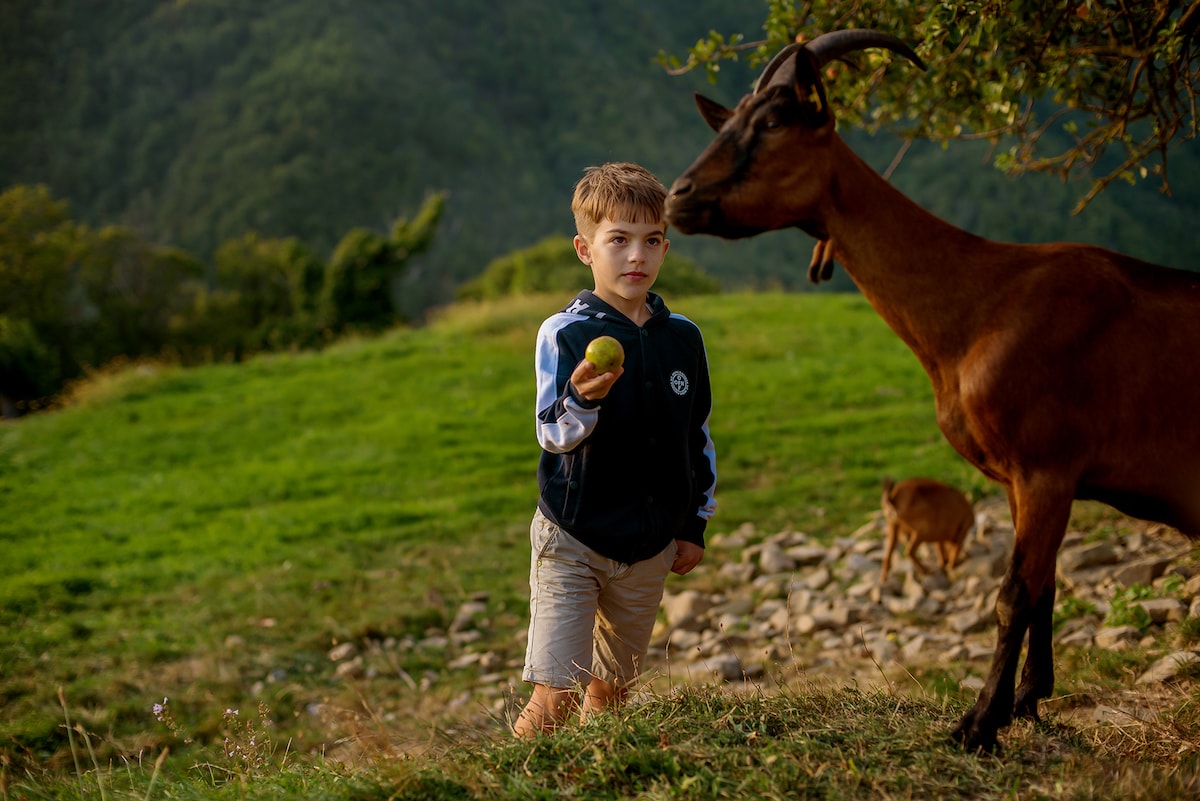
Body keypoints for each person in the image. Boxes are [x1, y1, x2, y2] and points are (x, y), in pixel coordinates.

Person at [513, 162, 717, 737]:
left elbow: (695, 434)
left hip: (650, 545)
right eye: (618, 240)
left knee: (612, 694)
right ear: (585, 249)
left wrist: (694, 523)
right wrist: (582, 396)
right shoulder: (565, 333)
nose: (637, 257)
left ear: (665, 248)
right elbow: (553, 433)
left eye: (651, 241)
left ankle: (596, 779)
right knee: (555, 697)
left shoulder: (684, 338)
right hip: (573, 534)